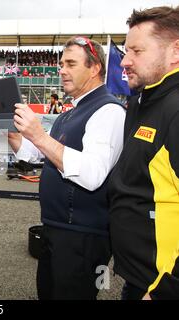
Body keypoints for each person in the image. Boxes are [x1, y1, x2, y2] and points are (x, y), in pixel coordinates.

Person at [0, 37, 126, 299]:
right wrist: (12, 133)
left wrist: (38, 135)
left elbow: (92, 174)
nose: (61, 70)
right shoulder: (69, 112)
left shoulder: (109, 111)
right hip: (58, 228)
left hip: (83, 235)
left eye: (71, 63)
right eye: (61, 63)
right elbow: (38, 156)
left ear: (95, 68)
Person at [108, 5, 179, 300]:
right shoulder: (140, 102)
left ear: (175, 52)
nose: (125, 61)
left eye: (137, 51)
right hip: (137, 278)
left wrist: (168, 289)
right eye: (126, 51)